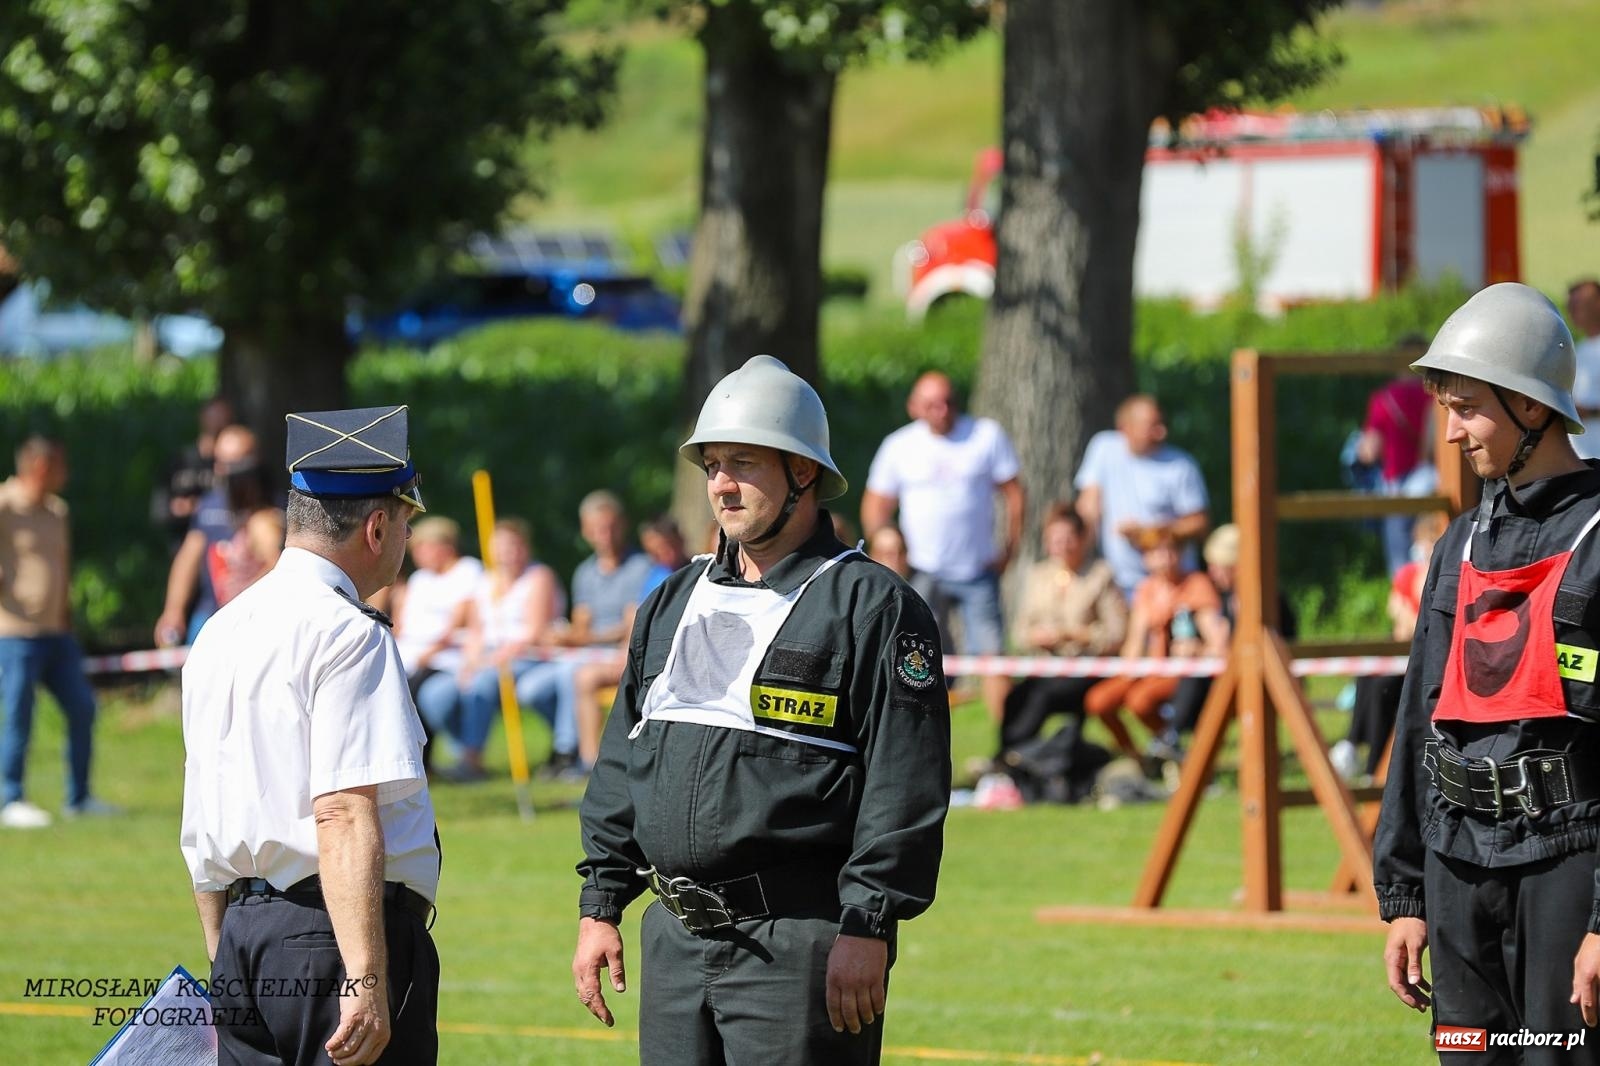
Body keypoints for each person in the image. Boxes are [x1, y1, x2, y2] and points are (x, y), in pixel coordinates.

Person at [573, 355, 950, 1066]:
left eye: (743, 463)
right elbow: (624, 760)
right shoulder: (672, 600)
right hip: (675, 943)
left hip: (799, 947)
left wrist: (868, 925)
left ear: (804, 473)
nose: (721, 483)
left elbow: (906, 783)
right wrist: (602, 904)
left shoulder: (873, 605)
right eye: (712, 464)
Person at [1375, 283, 1600, 1062]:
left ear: (1531, 408)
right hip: (1457, 866)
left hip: (1569, 866)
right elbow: (1419, 716)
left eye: (1467, 408)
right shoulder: (1461, 541)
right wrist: (1404, 894)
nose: (1448, 433)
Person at [181, 405, 439, 1066]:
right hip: (331, 936)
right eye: (407, 522)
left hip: (245, 933)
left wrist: (224, 957)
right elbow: (344, 812)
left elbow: (202, 818)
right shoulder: (350, 633)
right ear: (378, 527)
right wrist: (365, 975)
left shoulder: (220, 632)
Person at [861, 370, 1024, 724]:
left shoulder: (985, 435)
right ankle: (916, 738)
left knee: (994, 660)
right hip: (921, 571)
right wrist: (884, 549)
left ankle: (1012, 749)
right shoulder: (899, 446)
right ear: (914, 407)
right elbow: (876, 504)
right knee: (916, 660)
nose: (942, 410)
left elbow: (1014, 493)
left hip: (977, 569)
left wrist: (1010, 547)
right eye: (932, 404)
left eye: (948, 401)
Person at [0, 437, 114, 829]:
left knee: (82, 707)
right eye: (60, 466)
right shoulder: (5, 503)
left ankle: (79, 797)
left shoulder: (57, 511)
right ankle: (10, 796)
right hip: (14, 633)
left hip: (56, 633)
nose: (66, 474)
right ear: (39, 466)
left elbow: (60, 565)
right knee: (18, 713)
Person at [444, 518, 572, 782]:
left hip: (531, 655)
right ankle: (458, 750)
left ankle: (471, 759)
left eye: (513, 545)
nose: (507, 553)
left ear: (525, 547)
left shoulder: (539, 577)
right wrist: (471, 660)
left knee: (483, 682)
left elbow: (535, 631)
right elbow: (476, 630)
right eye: (500, 546)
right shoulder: (486, 582)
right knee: (441, 692)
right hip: (490, 656)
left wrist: (492, 661)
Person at [1082, 528, 1228, 761]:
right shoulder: (1146, 589)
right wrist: (1128, 667)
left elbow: (1217, 643)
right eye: (1157, 552)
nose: (1165, 558)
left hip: (1183, 670)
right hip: (1152, 667)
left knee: (1140, 701)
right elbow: (1135, 640)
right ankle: (1137, 756)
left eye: (1171, 550)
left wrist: (1197, 649)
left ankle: (1171, 748)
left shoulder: (1196, 584)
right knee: (1099, 701)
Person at [998, 503, 1127, 754]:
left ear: (1081, 539)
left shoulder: (1100, 575)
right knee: (1017, 696)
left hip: (1087, 667)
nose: (1062, 545)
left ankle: (1015, 755)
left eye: (1068, 539)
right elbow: (1021, 630)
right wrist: (1036, 638)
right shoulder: (1038, 576)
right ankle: (1010, 755)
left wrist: (1075, 635)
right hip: (1046, 665)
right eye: (1055, 539)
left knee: (1040, 695)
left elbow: (1116, 633)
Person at [542, 491, 652, 776]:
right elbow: (582, 625)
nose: (604, 534)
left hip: (627, 655)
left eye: (610, 526)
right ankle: (566, 749)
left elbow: (630, 626)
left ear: (623, 525)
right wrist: (570, 636)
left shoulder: (641, 568)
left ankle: (582, 759)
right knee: (534, 686)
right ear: (585, 530)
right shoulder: (585, 572)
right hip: (591, 654)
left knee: (578, 676)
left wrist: (585, 637)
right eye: (597, 528)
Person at [1332, 510, 1447, 782]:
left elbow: (1413, 623)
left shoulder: (1438, 577)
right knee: (1370, 676)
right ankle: (1354, 744)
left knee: (1385, 686)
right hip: (1403, 651)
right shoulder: (1409, 575)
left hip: (1421, 659)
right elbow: (1399, 618)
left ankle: (1371, 762)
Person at [1074, 394, 1210, 599]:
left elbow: (1200, 523)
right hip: (1118, 583)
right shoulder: (1104, 448)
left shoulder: (1181, 465)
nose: (1162, 432)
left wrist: (1150, 534)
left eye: (1161, 424)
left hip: (1172, 583)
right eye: (1152, 426)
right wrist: (1079, 553)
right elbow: (1089, 505)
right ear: (1124, 428)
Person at [154, 424, 266, 646]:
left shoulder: (272, 508)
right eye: (223, 463)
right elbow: (188, 558)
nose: (229, 472)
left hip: (260, 615)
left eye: (238, 464)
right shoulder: (208, 506)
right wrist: (173, 611)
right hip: (212, 612)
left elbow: (276, 562)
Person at [391, 516, 483, 772]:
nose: (417, 555)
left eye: (423, 547)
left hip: (447, 658)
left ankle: (422, 761)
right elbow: (402, 623)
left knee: (415, 690)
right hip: (412, 654)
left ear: (445, 546)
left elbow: (460, 620)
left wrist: (429, 652)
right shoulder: (419, 579)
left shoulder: (468, 571)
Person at [1355, 337, 1437, 575]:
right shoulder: (1434, 395)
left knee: (1401, 566)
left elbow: (1370, 451)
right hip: (1433, 483)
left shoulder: (1383, 399)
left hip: (1398, 489)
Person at [150, 395, 233, 550]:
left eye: (224, 418)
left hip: (222, 551)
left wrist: (199, 507)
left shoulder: (232, 465)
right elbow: (160, 512)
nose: (218, 423)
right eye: (214, 417)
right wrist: (180, 509)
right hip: (182, 546)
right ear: (202, 418)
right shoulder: (179, 462)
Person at [1569, 278, 1600, 461]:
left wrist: (1592, 412)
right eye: (1570, 304)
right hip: (1581, 459)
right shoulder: (1576, 350)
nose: (1571, 309)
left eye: (1577, 303)